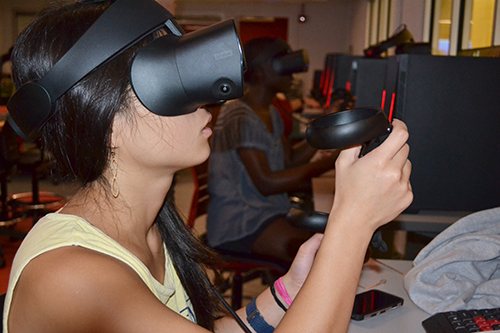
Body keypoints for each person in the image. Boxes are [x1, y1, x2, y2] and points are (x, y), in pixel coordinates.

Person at [3, 1, 413, 332]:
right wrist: (353, 220)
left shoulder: (149, 229)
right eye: (171, 80)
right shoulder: (72, 274)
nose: (204, 100)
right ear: (104, 122)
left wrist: (287, 291)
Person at [207, 37, 345, 263]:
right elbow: (267, 183)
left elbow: (288, 163)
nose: (292, 76)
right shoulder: (239, 115)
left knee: (328, 241)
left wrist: (326, 131)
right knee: (318, 256)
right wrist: (331, 163)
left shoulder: (270, 112)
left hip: (267, 212)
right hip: (239, 222)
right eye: (284, 67)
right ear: (260, 72)